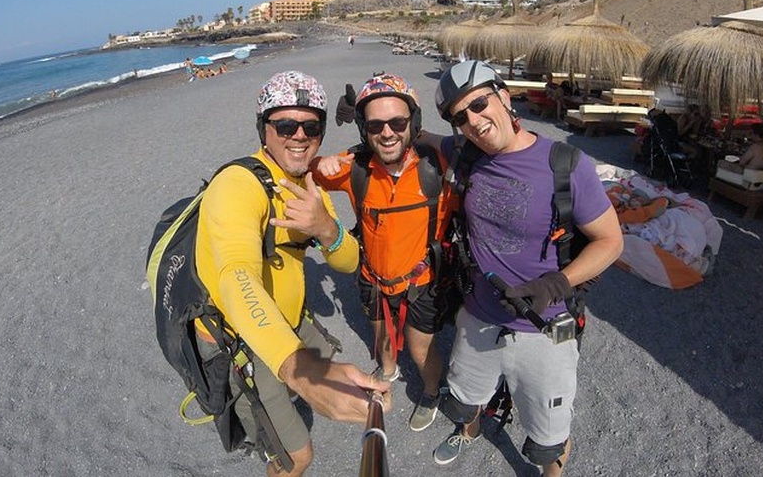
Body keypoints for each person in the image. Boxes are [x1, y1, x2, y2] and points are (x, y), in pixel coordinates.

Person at [424, 61, 623, 474]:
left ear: (504, 96)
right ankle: (469, 432)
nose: (474, 122)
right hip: (480, 313)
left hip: (545, 324)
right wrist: (377, 122)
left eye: (479, 104)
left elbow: (611, 241)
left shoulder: (567, 165)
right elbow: (420, 136)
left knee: (549, 433)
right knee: (467, 397)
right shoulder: (465, 154)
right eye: (461, 117)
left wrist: (556, 282)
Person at [194, 70, 391, 476]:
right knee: (297, 458)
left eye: (310, 126)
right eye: (285, 124)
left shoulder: (306, 183)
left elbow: (350, 262)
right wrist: (302, 372)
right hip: (241, 338)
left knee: (327, 368)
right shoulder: (236, 185)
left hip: (287, 320)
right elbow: (237, 278)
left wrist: (327, 229)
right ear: (264, 130)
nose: (299, 135)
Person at [312, 74, 458, 433]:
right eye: (376, 124)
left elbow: (486, 159)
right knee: (380, 338)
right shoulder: (356, 167)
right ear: (364, 128)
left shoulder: (439, 167)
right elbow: (301, 175)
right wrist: (321, 163)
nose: (388, 132)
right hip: (372, 277)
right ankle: (388, 368)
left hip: (422, 280)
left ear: (414, 123)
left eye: (398, 122)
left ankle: (430, 391)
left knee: (421, 350)